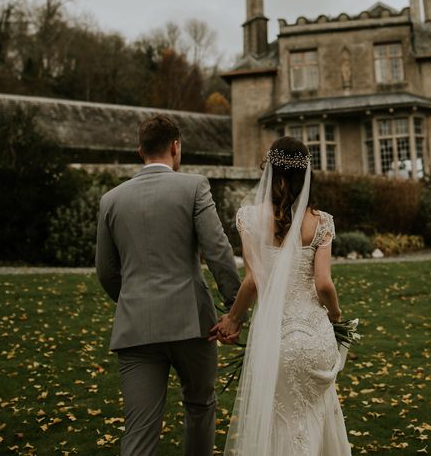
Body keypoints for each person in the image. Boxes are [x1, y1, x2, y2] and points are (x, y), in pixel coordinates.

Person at [96, 114, 241, 456]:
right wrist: (235, 310)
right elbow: (218, 250)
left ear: (139, 151)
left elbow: (106, 271)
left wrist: (134, 300)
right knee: (200, 405)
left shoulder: (111, 200)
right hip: (192, 324)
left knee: (140, 429)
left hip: (136, 327)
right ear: (176, 147)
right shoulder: (193, 186)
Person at [211, 136, 352, 455]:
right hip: (316, 338)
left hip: (276, 339)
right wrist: (336, 315)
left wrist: (233, 319)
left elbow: (253, 280)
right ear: (307, 175)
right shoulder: (322, 222)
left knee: (281, 420)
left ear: (269, 172)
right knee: (317, 413)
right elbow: (324, 285)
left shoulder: (249, 218)